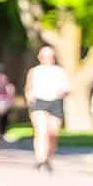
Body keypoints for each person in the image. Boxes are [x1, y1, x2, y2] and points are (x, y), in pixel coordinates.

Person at [24, 45, 72, 173]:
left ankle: (48, 158)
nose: (47, 58)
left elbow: (67, 89)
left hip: (55, 102)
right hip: (39, 102)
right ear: (40, 57)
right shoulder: (35, 71)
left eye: (50, 56)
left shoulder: (60, 71)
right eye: (44, 56)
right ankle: (40, 159)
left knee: (53, 133)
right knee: (42, 131)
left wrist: (63, 91)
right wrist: (29, 98)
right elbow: (28, 87)